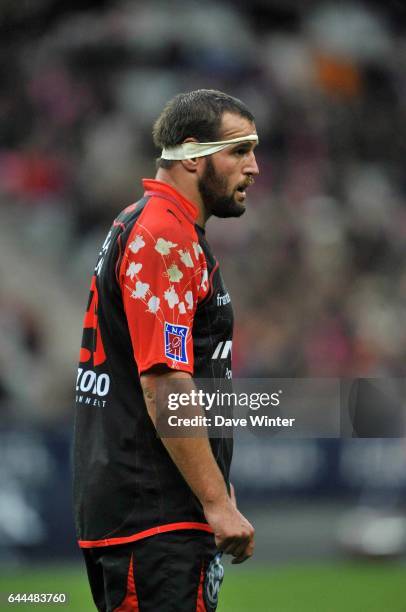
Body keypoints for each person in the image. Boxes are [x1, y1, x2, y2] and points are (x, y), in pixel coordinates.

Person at [73, 89, 259, 611]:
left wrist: (219, 488)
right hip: (153, 513)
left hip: (157, 509)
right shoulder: (162, 236)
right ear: (193, 154)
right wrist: (217, 503)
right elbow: (165, 382)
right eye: (240, 150)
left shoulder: (160, 226)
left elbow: (196, 371)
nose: (254, 167)